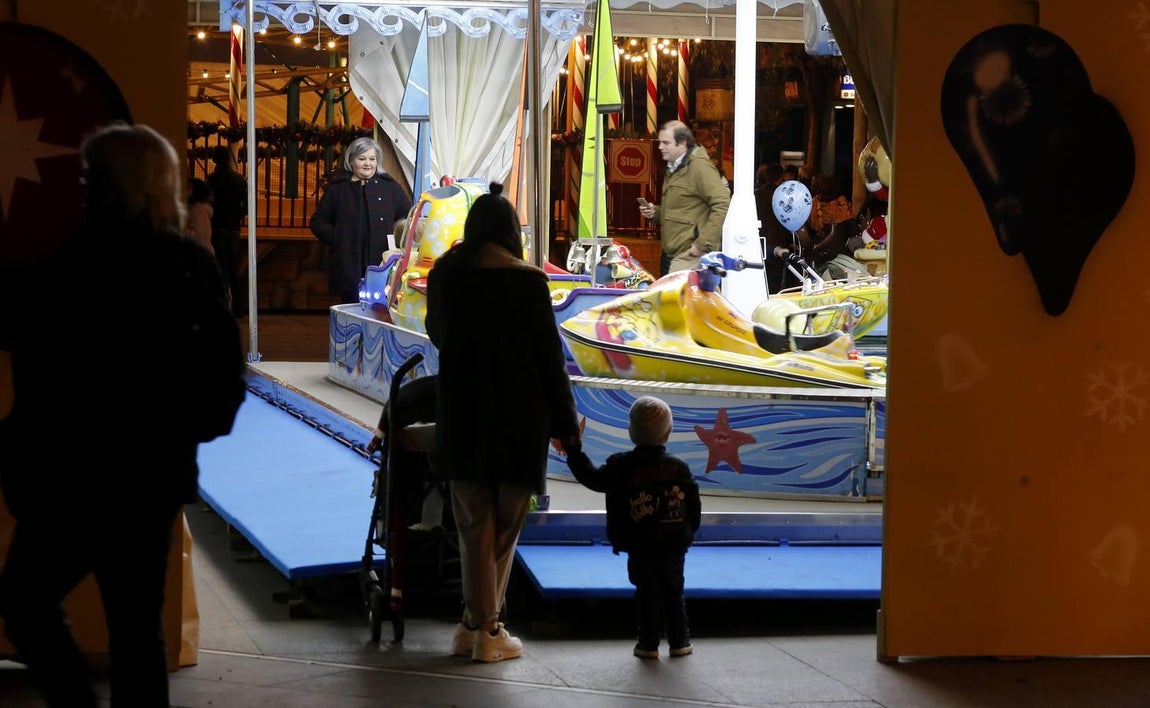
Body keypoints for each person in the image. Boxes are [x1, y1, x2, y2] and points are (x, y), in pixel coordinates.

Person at [0, 123, 243, 707]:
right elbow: (223, 378)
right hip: (148, 477)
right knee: (138, 633)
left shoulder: (72, 258)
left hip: (68, 472)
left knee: (27, 604)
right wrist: (176, 433)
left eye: (92, 175)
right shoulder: (187, 263)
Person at [424, 182, 580, 663]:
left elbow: (436, 332)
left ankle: (474, 625)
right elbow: (549, 359)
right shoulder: (529, 282)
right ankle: (488, 629)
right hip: (519, 417)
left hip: (462, 409)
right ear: (512, 231)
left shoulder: (447, 273)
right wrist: (566, 421)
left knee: (473, 523)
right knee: (506, 524)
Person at [561, 396, 701, 659]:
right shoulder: (679, 468)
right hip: (674, 544)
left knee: (646, 592)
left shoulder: (620, 466)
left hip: (639, 543)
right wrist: (689, 533)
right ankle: (680, 641)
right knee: (673, 590)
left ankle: (648, 644)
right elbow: (693, 504)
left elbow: (591, 477)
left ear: (630, 432)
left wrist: (574, 451)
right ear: (669, 432)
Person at [310, 136, 412, 304]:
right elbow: (318, 222)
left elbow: (406, 216)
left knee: (380, 310)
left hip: (382, 263)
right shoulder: (338, 188)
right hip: (349, 263)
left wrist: (397, 239)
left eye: (372, 159)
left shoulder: (389, 186)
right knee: (351, 309)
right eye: (362, 159)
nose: (368, 164)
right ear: (351, 160)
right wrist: (339, 238)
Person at [638, 120, 730, 277]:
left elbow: (722, 203)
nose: (660, 147)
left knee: (678, 301)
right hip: (673, 256)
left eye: (666, 143)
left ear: (682, 144)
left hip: (689, 257)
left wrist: (701, 245)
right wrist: (656, 212)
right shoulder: (674, 166)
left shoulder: (699, 167)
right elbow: (682, 209)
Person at [205, 144, 247, 316]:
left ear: (215, 159)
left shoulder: (211, 180)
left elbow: (208, 200)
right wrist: (240, 214)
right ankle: (238, 307)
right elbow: (246, 204)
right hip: (233, 227)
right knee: (234, 268)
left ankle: (222, 305)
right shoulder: (239, 179)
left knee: (219, 267)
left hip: (217, 226)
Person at [186, 176, 215, 255]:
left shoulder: (197, 209)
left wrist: (180, 230)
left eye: (187, 188)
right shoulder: (201, 208)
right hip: (204, 252)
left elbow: (198, 235)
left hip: (199, 254)